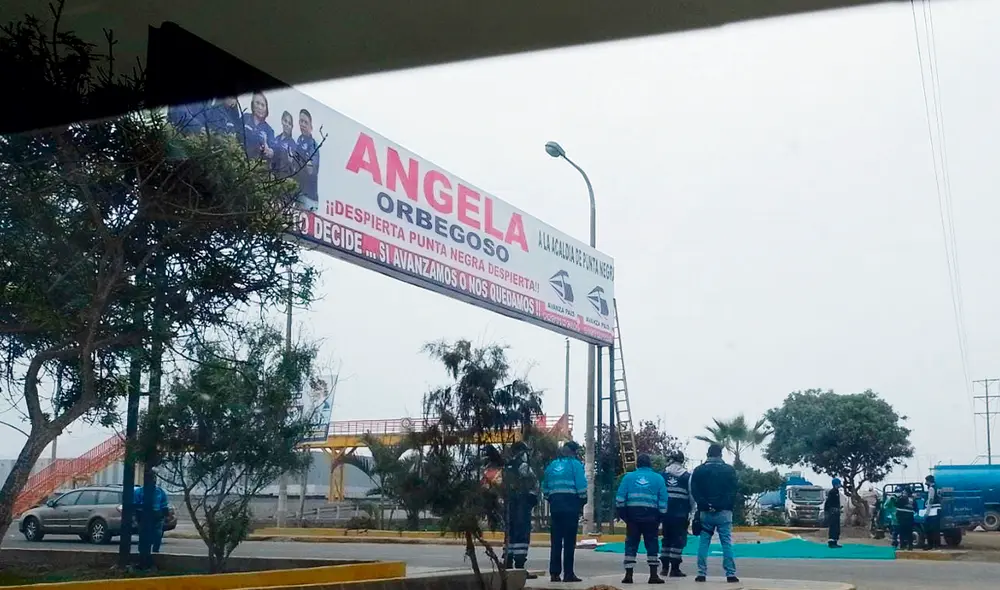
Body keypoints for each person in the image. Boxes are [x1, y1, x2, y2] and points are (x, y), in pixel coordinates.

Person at [615, 454, 668, 584]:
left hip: (632, 516)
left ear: (637, 464)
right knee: (652, 544)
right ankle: (653, 575)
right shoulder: (658, 479)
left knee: (631, 544)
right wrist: (661, 516)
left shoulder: (628, 477)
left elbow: (620, 498)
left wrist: (623, 514)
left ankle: (628, 575)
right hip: (651, 516)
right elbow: (663, 500)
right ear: (650, 464)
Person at [690, 444, 739, 584]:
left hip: (705, 513)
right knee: (726, 543)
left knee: (703, 543)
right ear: (721, 455)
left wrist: (705, 504)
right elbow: (733, 491)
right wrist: (720, 505)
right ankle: (730, 574)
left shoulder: (699, 470)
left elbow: (695, 490)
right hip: (724, 512)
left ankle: (701, 573)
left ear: (707, 454)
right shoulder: (729, 470)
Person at [542, 440, 587, 583]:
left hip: (555, 506)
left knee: (555, 541)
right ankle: (568, 574)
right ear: (573, 452)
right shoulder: (576, 465)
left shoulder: (552, 466)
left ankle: (554, 574)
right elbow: (581, 488)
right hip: (570, 506)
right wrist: (581, 503)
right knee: (568, 542)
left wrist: (554, 500)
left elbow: (545, 489)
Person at [502, 441, 538, 578]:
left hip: (509, 504)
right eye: (525, 451)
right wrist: (532, 498)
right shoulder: (523, 466)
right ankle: (520, 568)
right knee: (521, 535)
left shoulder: (507, 467)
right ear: (521, 452)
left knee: (510, 535)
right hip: (522, 504)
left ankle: (508, 564)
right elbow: (534, 483)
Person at [660, 450, 694, 578]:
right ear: (682, 461)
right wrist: (691, 511)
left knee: (666, 539)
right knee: (678, 540)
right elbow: (692, 497)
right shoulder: (687, 476)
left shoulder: (662, 476)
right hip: (680, 514)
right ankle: (674, 569)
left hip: (665, 514)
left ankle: (664, 568)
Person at [135, 483, 170, 553]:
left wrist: (165, 515)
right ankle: (142, 552)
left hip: (157, 516)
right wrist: (138, 515)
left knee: (158, 534)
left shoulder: (159, 491)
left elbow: (164, 503)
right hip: (144, 516)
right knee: (143, 534)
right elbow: (136, 503)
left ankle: (155, 551)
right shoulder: (139, 491)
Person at [296, 108, 320, 205]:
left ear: (311, 126)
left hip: (309, 197)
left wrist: (305, 159)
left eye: (306, 122)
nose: (303, 124)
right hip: (297, 193)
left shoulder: (313, 145)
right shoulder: (298, 141)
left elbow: (311, 170)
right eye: (301, 121)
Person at [923, 475, 941, 550]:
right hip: (937, 510)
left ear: (929, 481)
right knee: (936, 529)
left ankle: (931, 545)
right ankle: (935, 545)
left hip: (933, 511)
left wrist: (927, 512)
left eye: (926, 481)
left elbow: (930, 500)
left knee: (930, 529)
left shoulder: (931, 488)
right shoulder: (937, 487)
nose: (925, 482)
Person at [824, 478, 843, 549]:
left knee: (837, 528)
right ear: (835, 484)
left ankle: (835, 541)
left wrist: (839, 508)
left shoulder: (837, 491)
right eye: (839, 483)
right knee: (833, 527)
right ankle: (831, 543)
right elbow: (828, 502)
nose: (840, 485)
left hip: (836, 512)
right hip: (832, 512)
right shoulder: (832, 492)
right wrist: (829, 511)